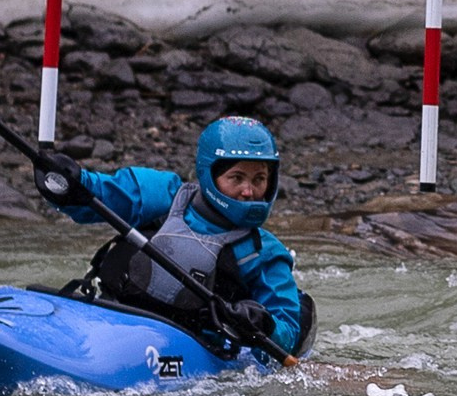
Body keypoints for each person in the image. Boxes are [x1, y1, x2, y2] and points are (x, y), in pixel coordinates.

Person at [32, 116, 307, 357]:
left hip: (193, 348)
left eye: (259, 180)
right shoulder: (162, 195)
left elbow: (288, 331)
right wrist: (66, 183)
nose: (249, 192)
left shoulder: (264, 252)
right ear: (209, 174)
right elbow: (97, 196)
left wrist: (262, 324)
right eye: (237, 178)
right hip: (113, 318)